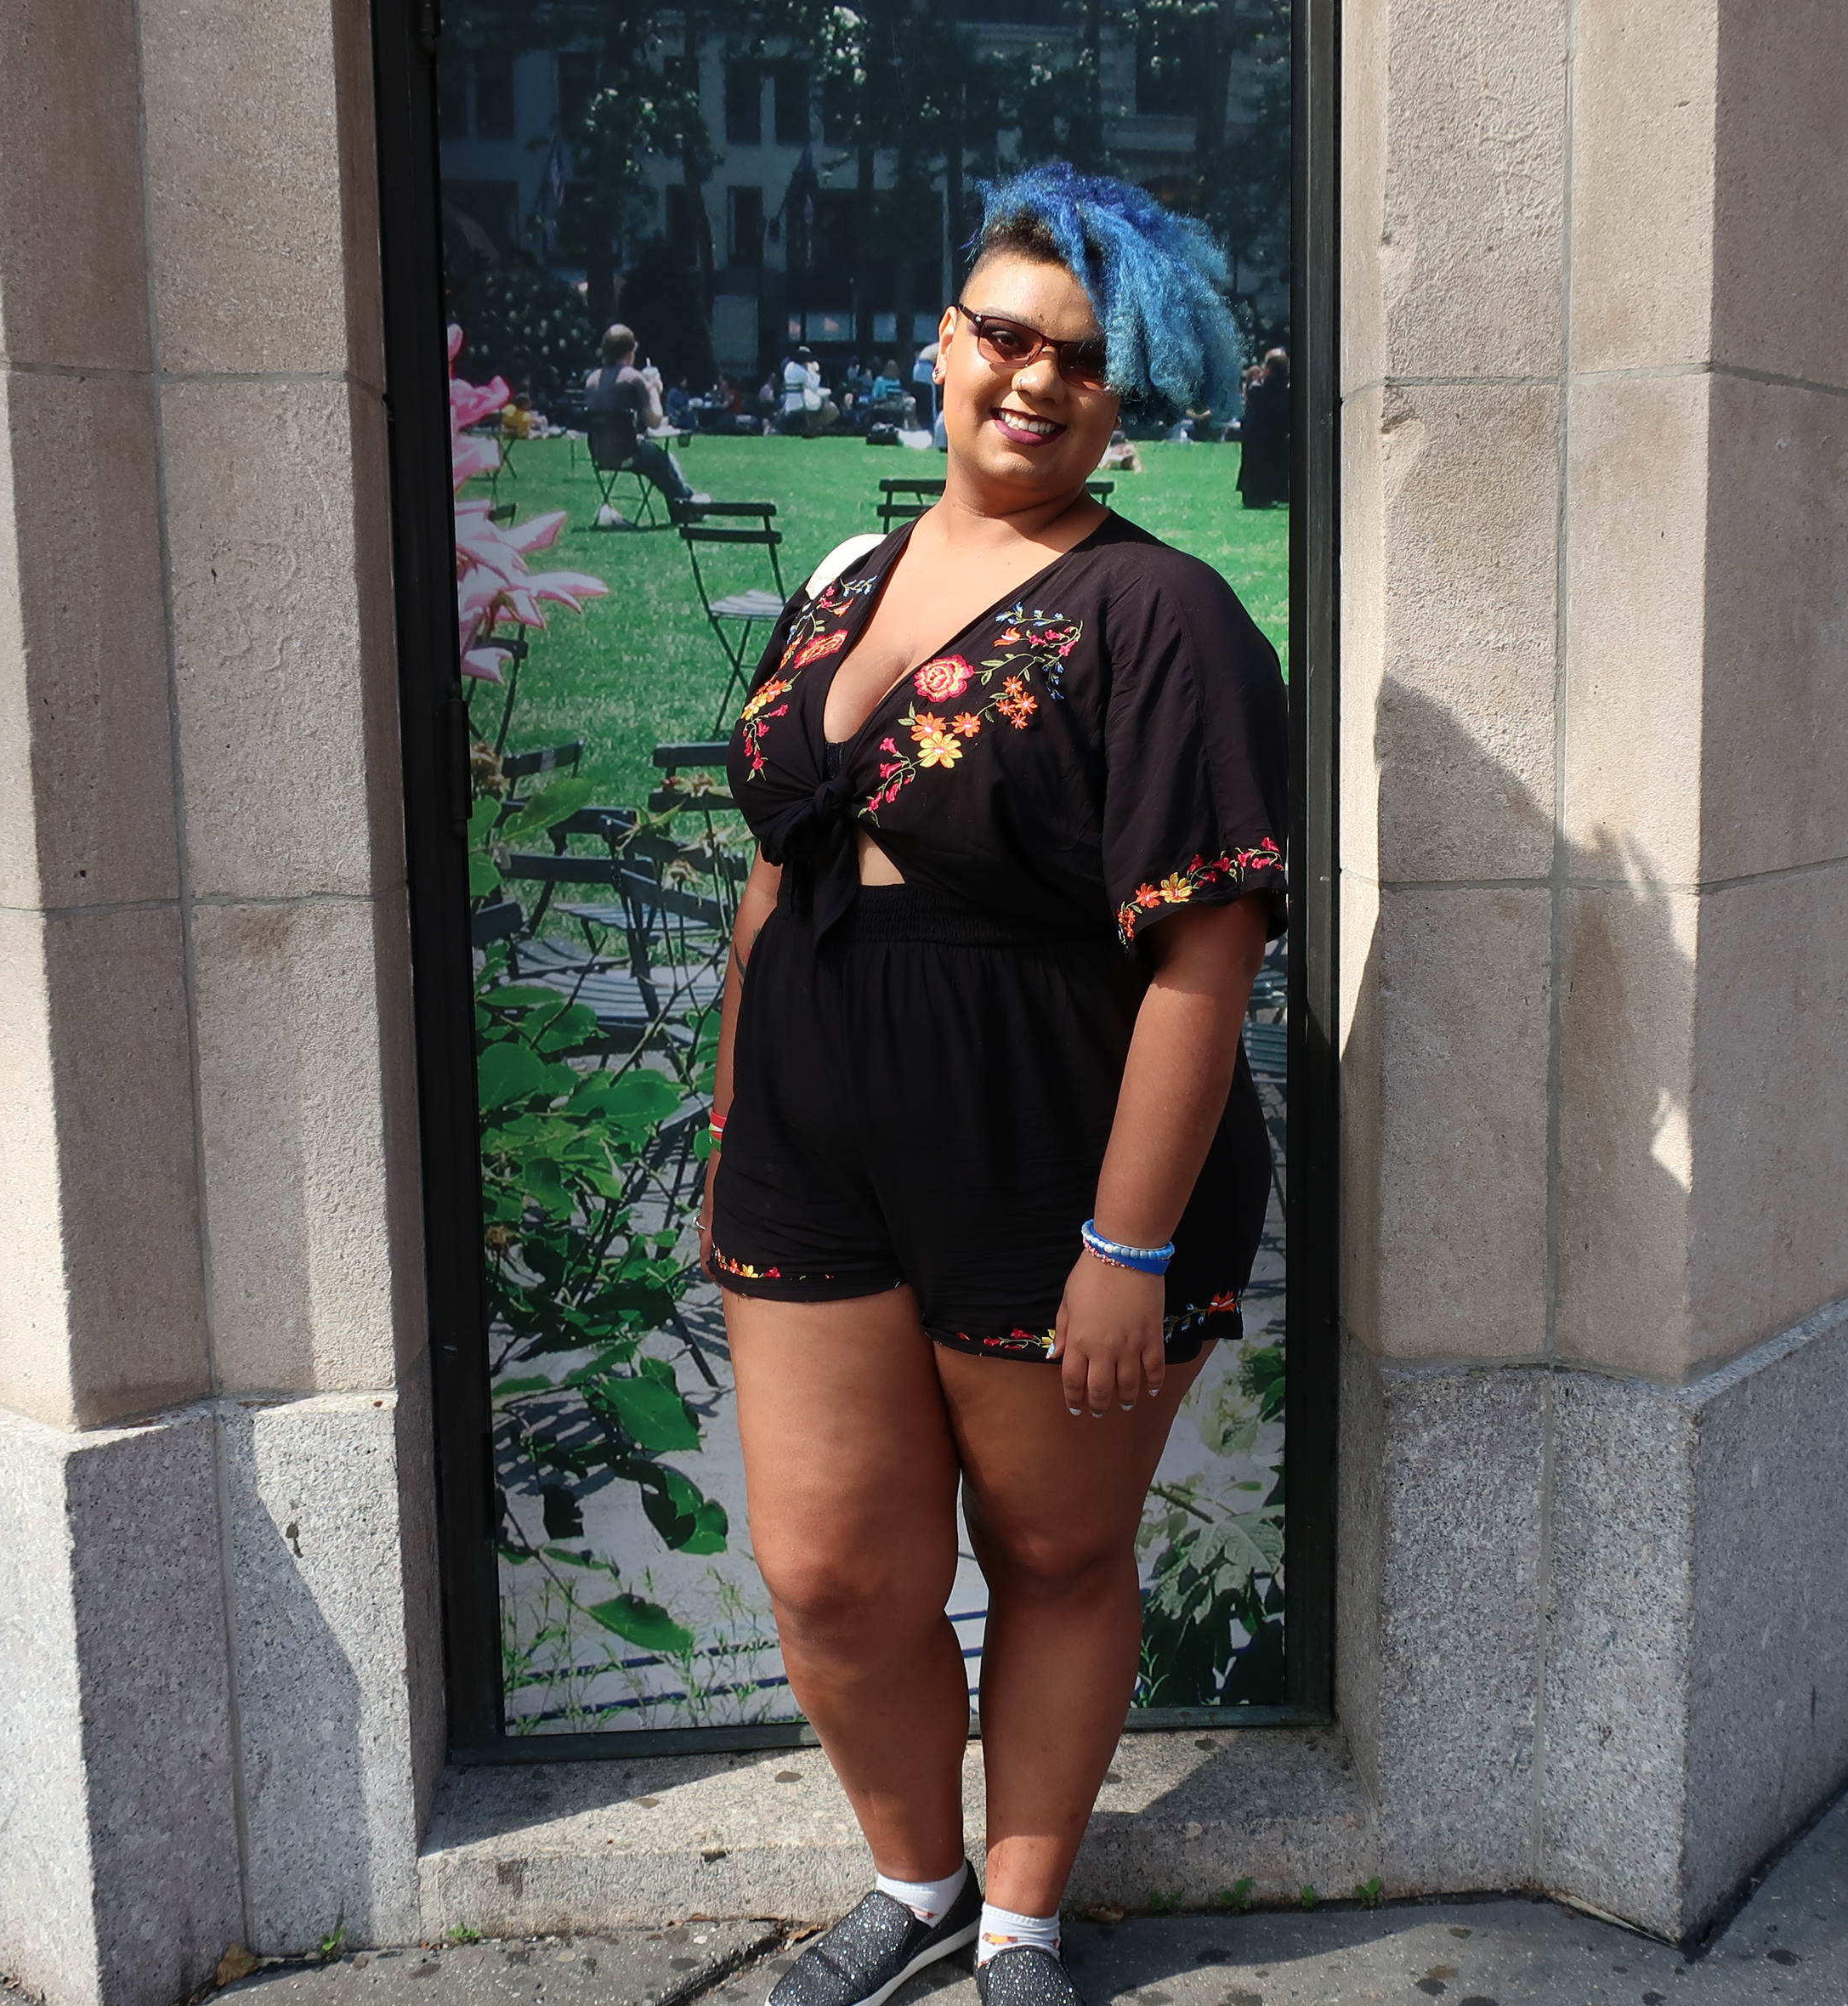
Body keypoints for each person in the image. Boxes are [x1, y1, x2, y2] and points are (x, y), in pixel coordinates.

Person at [706, 165, 1281, 2006]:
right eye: (1006, 336)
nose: (1035, 381)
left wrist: (1127, 1240)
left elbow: (1207, 948)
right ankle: (914, 1879)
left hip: (1051, 1144)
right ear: (943, 345)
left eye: (1084, 361)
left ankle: (1023, 1919)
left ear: (1130, 398)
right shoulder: (842, 580)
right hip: (811, 1129)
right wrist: (730, 1119)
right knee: (827, 1571)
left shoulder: (1160, 613)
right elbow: (777, 859)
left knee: (1049, 1543)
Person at [582, 323, 709, 513]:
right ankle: (686, 505)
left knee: (655, 463)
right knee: (664, 460)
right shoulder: (634, 378)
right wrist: (653, 390)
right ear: (631, 350)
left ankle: (683, 503)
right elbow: (655, 421)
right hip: (627, 453)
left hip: (599, 454)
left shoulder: (591, 379)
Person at [1235, 347, 1290, 508]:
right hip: (1277, 437)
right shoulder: (1287, 390)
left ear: (1270, 370)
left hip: (1258, 438)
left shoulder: (1258, 390)